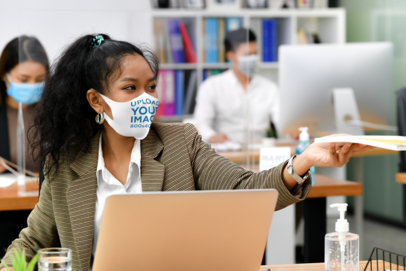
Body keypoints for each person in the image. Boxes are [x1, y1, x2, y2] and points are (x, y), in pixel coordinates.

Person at [0, 34, 369, 271]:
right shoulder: (64, 164)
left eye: (151, 87)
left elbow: (249, 189)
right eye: (131, 88)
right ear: (97, 100)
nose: (147, 99)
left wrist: (303, 160)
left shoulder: (180, 141)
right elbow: (33, 241)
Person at [0, 35, 49, 256]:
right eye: (24, 78)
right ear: (5, 75)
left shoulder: (55, 112)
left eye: (40, 79)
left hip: (44, 210)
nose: (33, 85)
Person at [193, 28, 279, 144]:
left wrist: (294, 130)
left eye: (255, 54)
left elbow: (281, 120)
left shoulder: (270, 88)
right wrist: (212, 136)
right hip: (225, 152)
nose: (253, 59)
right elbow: (200, 124)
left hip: (259, 150)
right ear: (231, 56)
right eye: (247, 54)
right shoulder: (211, 86)